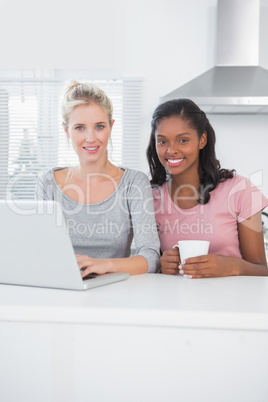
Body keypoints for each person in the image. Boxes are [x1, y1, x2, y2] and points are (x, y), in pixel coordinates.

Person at [35, 80, 160, 276]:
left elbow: (151, 257)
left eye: (99, 126)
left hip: (115, 294)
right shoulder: (48, 183)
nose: (91, 138)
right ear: (66, 130)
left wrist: (105, 265)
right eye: (80, 128)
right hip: (60, 291)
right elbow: (39, 251)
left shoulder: (134, 182)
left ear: (111, 126)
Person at [146, 98, 268, 278]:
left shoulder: (240, 190)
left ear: (202, 140)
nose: (171, 150)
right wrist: (161, 268)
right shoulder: (151, 199)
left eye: (183, 140)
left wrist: (232, 266)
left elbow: (262, 271)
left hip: (230, 302)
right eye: (163, 141)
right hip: (175, 303)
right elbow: (149, 271)